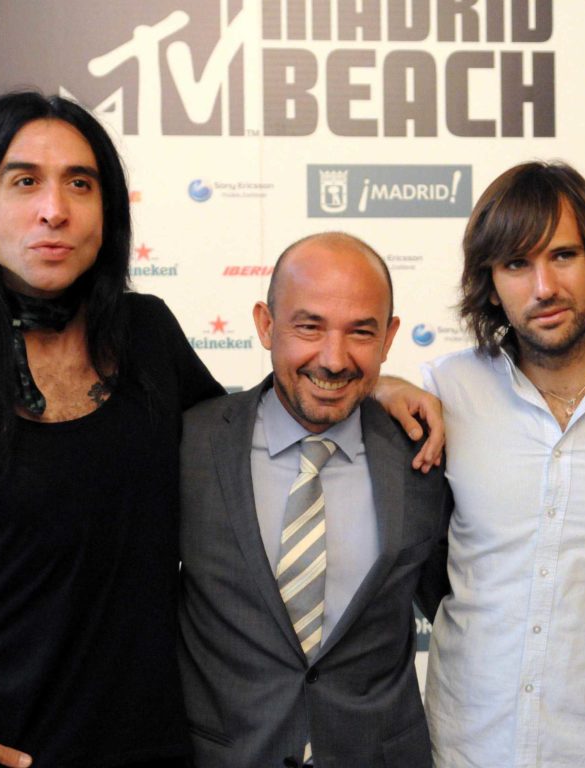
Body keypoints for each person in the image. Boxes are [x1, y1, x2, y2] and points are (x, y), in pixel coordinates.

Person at [0, 90, 224, 768]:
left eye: (80, 183)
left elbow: (251, 443)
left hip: (154, 749)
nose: (55, 209)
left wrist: (366, 388)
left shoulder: (148, 335)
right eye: (24, 182)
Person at [380, 161, 585, 767]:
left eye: (563, 256)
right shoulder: (446, 391)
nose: (544, 287)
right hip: (468, 749)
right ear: (490, 283)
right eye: (516, 264)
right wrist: (379, 386)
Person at [175, 232, 451, 768]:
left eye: (361, 332)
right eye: (309, 326)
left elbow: (470, 607)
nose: (333, 358)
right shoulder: (189, 443)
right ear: (265, 324)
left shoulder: (425, 453)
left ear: (390, 337)